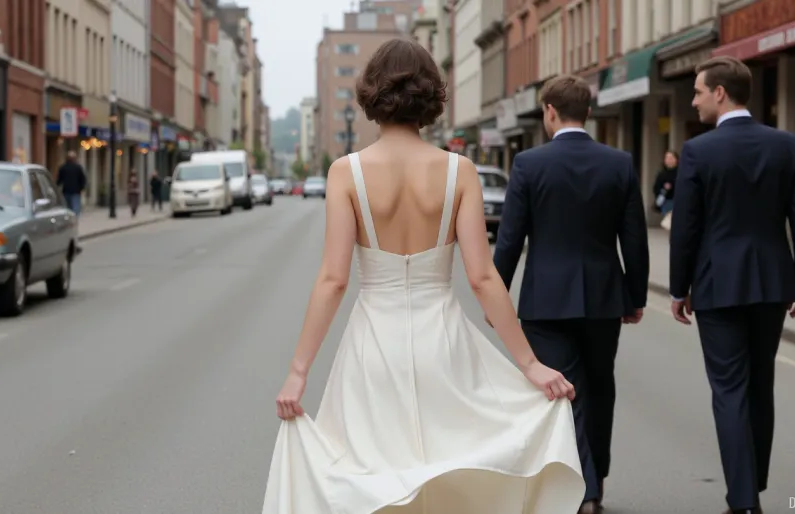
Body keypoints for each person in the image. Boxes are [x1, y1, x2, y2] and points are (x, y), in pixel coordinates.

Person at [262, 38, 585, 514]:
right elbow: (482, 278)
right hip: (445, 344)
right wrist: (529, 364)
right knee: (450, 478)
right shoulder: (460, 171)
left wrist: (298, 372)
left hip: (374, 346)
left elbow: (333, 279)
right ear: (431, 95)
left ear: (372, 93)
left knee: (375, 480)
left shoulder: (345, 173)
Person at [493, 75, 650, 514]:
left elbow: (509, 240)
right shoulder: (619, 163)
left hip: (545, 301)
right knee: (600, 388)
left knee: (562, 392)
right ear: (589, 112)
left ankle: (582, 489)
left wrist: (497, 297)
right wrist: (635, 296)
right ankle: (594, 482)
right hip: (603, 296)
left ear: (549, 112)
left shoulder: (528, 164)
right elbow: (634, 239)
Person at [669, 56, 795, 514]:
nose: (692, 101)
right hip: (773, 284)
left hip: (717, 286)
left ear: (720, 93)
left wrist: (679, 288)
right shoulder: (785, 144)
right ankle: (752, 483)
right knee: (760, 385)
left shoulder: (698, 151)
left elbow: (686, 229)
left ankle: (744, 499)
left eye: (697, 92)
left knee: (729, 390)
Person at [56, 151, 87, 216]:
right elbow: (83, 179)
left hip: (67, 190)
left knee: (68, 208)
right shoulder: (78, 167)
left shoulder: (63, 167)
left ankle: (70, 219)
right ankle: (74, 220)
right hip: (75, 191)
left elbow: (59, 180)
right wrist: (81, 188)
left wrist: (56, 187)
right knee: (75, 208)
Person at [653, 150, 679, 216]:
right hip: (666, 200)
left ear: (676, 160)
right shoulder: (661, 174)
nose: (668, 160)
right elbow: (656, 187)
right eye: (666, 158)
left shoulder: (680, 173)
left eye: (671, 158)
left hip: (678, 200)